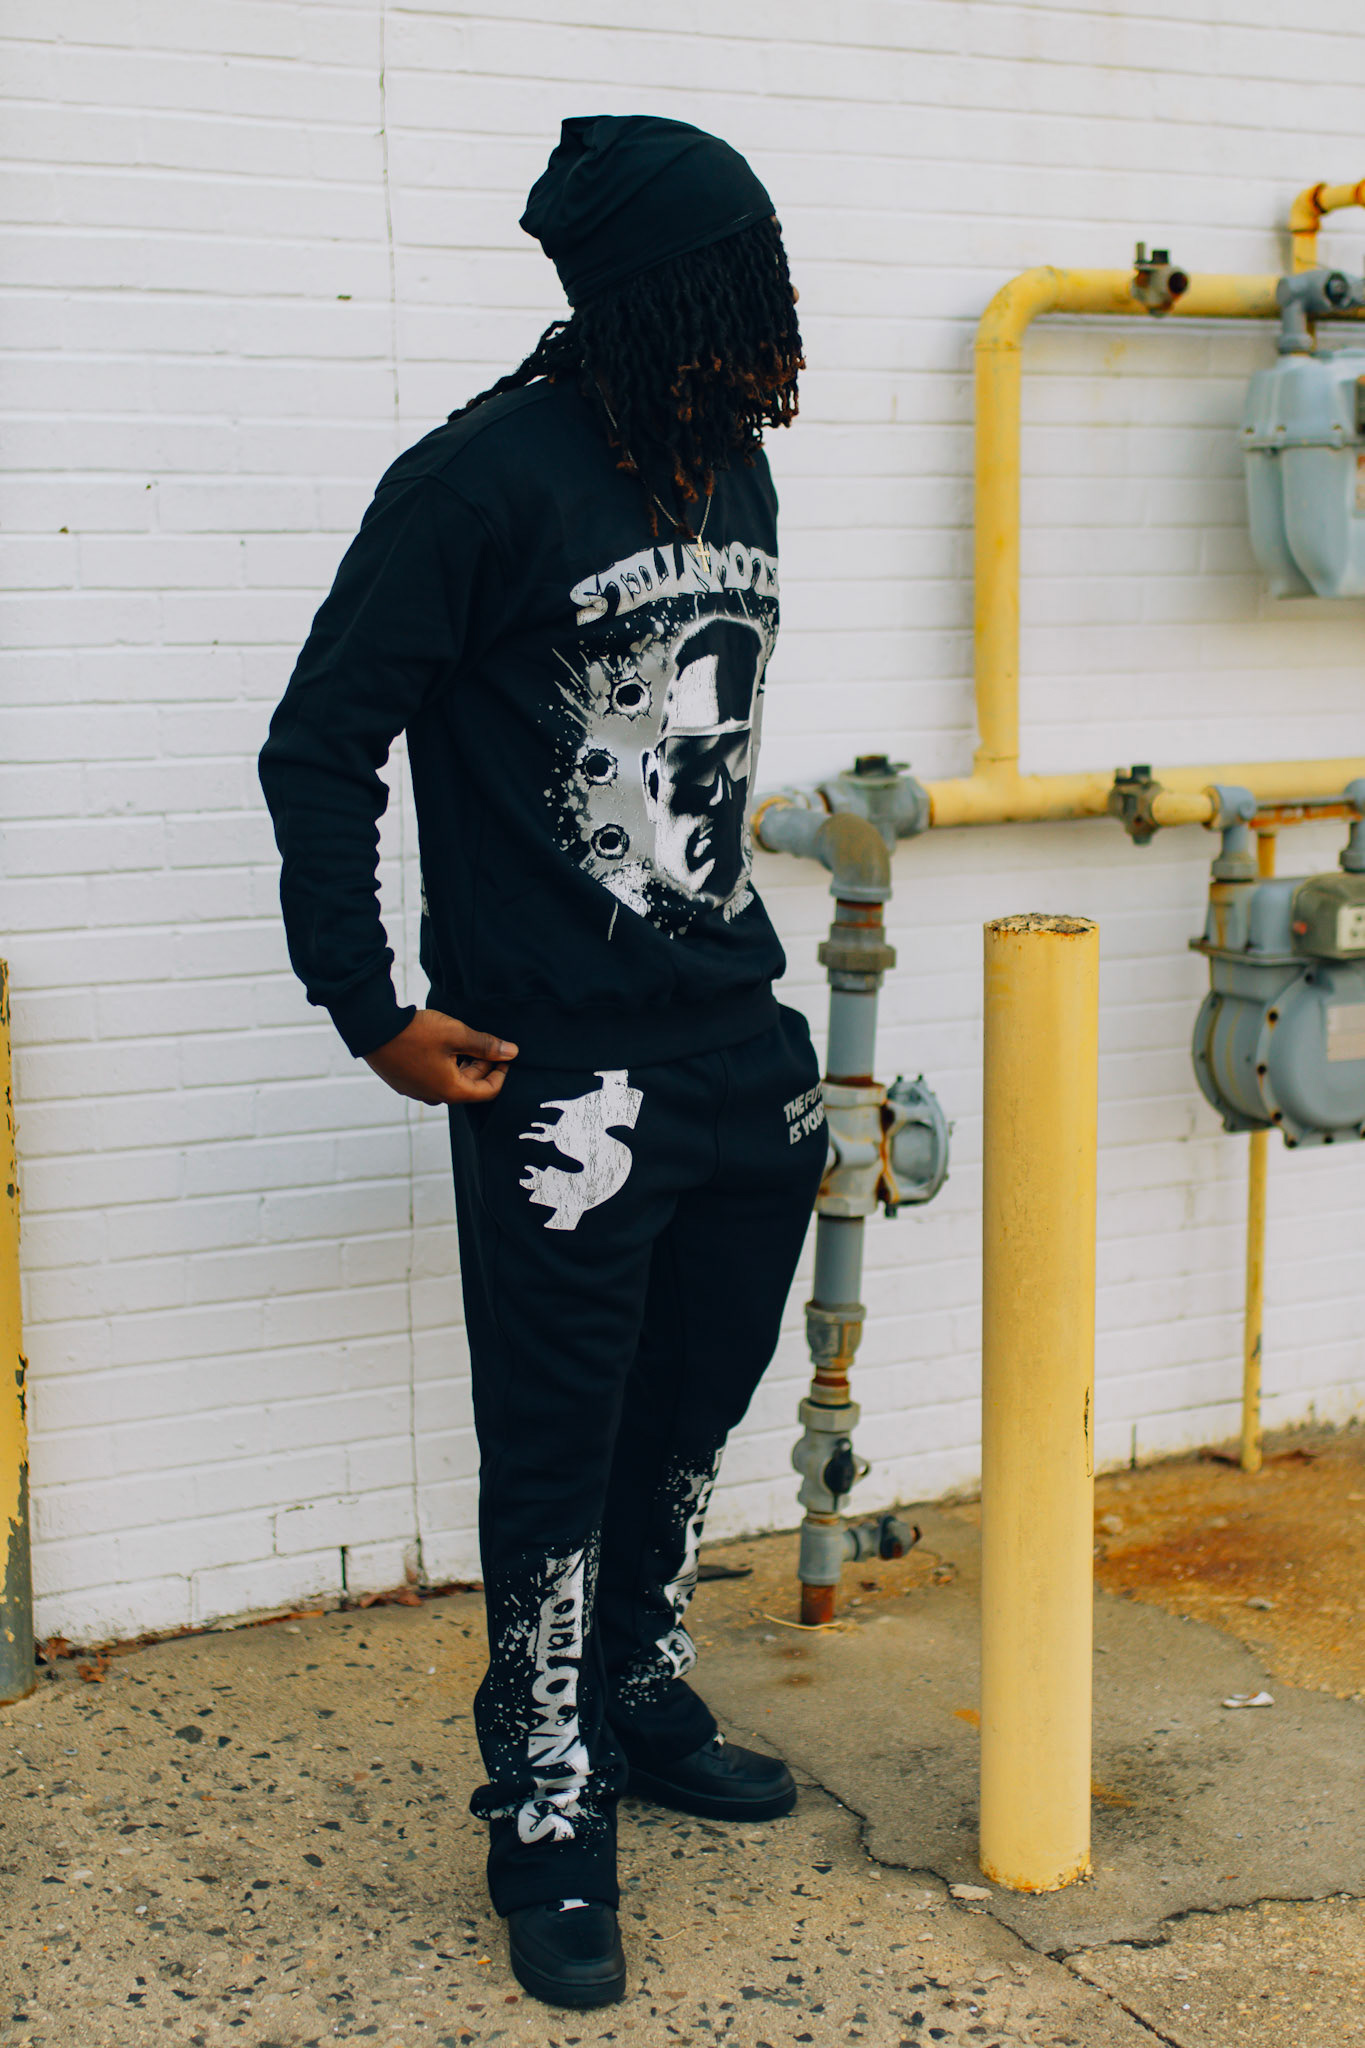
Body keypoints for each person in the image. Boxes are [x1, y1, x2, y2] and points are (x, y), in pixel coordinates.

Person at [258, 114, 828, 2011]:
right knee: (556, 1451)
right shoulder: (478, 480)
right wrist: (367, 1006)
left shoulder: (728, 457)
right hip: (561, 1076)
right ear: (653, 293)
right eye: (739, 279)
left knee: (696, 1407)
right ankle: (546, 1803)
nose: (772, 318)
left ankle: (637, 1692)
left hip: (735, 1042)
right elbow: (319, 744)